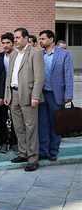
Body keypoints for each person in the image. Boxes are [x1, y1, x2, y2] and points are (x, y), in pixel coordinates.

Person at [4, 27, 44, 172]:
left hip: (28, 95)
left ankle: (33, 159)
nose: (15, 40)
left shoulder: (35, 53)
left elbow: (39, 77)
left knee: (30, 128)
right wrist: (7, 94)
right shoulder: (13, 54)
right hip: (13, 95)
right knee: (18, 127)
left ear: (26, 38)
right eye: (14, 37)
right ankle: (23, 153)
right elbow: (9, 76)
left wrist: (35, 96)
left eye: (18, 37)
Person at [38, 30, 74, 161]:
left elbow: (69, 75)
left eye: (43, 39)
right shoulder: (39, 55)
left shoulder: (64, 54)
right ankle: (42, 151)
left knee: (55, 124)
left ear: (51, 39)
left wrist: (68, 94)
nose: (40, 41)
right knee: (42, 124)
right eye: (40, 39)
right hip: (41, 94)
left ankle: (53, 151)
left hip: (56, 95)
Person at [0, 32, 18, 153]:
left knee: (15, 118)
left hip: (15, 91)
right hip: (2, 92)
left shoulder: (19, 56)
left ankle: (14, 142)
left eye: (8, 43)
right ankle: (4, 142)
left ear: (13, 43)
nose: (5, 45)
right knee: (2, 119)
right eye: (3, 43)